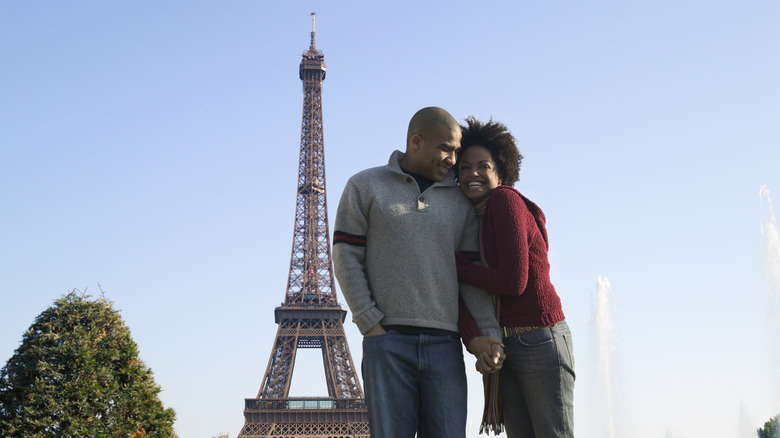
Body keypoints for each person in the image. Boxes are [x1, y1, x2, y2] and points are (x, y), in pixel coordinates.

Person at [332, 107, 503, 438]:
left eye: (456, 150)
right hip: (387, 343)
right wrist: (370, 324)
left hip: (445, 346)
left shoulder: (461, 201)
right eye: (446, 149)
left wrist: (489, 332)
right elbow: (346, 256)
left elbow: (471, 278)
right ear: (416, 142)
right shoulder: (364, 186)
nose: (453, 159)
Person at [456, 116, 575, 438]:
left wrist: (454, 268)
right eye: (464, 167)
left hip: (539, 337)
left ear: (501, 172)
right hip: (506, 344)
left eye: (483, 166)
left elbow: (514, 281)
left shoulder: (504, 200)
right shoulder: (474, 220)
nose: (472, 174)